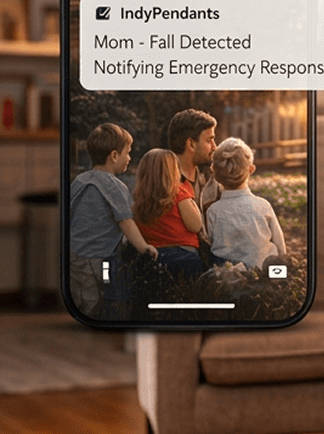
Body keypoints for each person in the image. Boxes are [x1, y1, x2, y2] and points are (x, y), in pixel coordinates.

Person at [67, 123, 154, 317]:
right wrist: (143, 247)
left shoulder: (79, 181)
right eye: (128, 153)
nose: (129, 158)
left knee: (82, 299)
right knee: (102, 297)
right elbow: (126, 221)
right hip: (100, 260)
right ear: (114, 156)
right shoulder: (115, 186)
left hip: (75, 257)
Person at [204, 137, 286, 273]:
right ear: (251, 169)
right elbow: (280, 246)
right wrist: (282, 276)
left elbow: (211, 244)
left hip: (230, 277)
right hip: (265, 273)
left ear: (215, 175)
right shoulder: (263, 206)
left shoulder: (213, 211)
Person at [133, 147, 205, 281]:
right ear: (173, 172)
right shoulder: (179, 193)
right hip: (183, 256)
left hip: (152, 257)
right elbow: (195, 225)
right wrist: (192, 201)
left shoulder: (138, 200)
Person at [165, 108, 220, 213]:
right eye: (209, 140)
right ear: (191, 144)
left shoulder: (212, 179)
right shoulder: (163, 185)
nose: (215, 147)